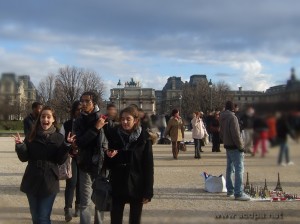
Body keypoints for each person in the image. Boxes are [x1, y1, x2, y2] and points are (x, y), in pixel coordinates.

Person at [14, 106, 76, 223]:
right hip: (32, 179)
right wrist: (20, 146)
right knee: (35, 217)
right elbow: (24, 158)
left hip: (49, 181)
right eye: (43, 116)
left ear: (53, 119)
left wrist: (66, 145)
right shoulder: (31, 136)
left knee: (43, 217)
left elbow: (60, 160)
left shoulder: (59, 138)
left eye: (48, 117)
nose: (45, 119)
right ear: (39, 119)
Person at [105, 106, 154, 224]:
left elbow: (148, 166)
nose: (124, 122)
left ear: (136, 120)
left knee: (135, 220)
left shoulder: (144, 139)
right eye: (122, 119)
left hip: (137, 184)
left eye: (128, 119)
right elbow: (107, 164)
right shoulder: (114, 135)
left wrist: (148, 190)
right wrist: (109, 156)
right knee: (115, 219)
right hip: (117, 183)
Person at [73, 91, 108, 224]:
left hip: (101, 163)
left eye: (87, 101)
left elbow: (109, 140)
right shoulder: (78, 120)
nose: (84, 104)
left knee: (100, 198)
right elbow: (80, 142)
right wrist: (96, 128)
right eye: (82, 101)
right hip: (85, 163)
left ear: (94, 103)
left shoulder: (103, 118)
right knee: (85, 200)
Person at [219, 101, 250, 201]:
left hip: (227, 145)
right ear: (233, 108)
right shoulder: (233, 117)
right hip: (234, 146)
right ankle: (238, 193)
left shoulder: (222, 117)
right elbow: (236, 134)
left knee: (229, 168)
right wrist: (241, 146)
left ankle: (230, 190)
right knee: (239, 169)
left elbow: (221, 132)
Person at [60, 101, 82, 222]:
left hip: (83, 157)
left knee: (80, 183)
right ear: (73, 111)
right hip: (71, 156)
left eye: (81, 109)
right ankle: (67, 208)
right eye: (77, 109)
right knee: (71, 182)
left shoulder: (86, 124)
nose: (79, 111)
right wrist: (69, 145)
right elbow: (60, 140)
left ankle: (78, 205)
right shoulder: (67, 124)